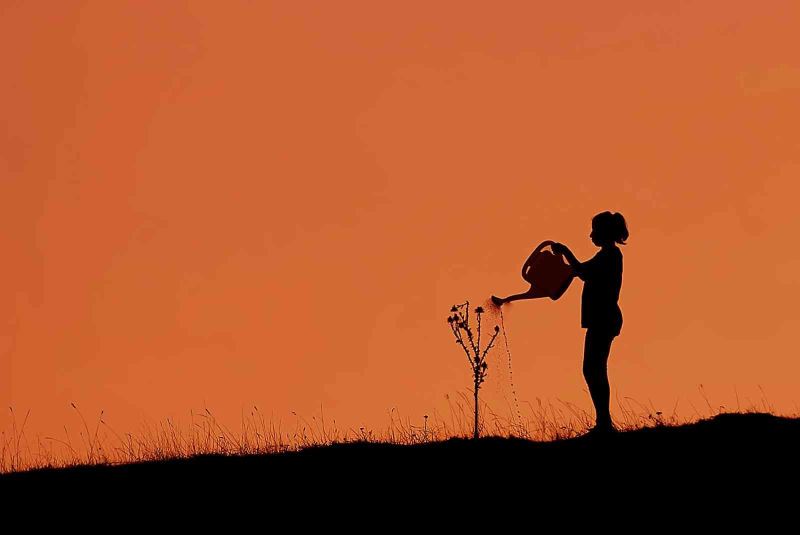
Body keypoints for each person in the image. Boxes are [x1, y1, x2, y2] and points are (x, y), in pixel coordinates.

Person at [552, 211, 628, 434]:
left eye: (594, 230)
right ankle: (603, 421)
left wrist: (565, 251)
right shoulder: (606, 255)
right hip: (602, 318)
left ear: (604, 232)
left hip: (604, 318)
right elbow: (578, 270)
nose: (591, 235)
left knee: (593, 368)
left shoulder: (611, 256)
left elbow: (582, 272)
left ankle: (604, 423)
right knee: (593, 368)